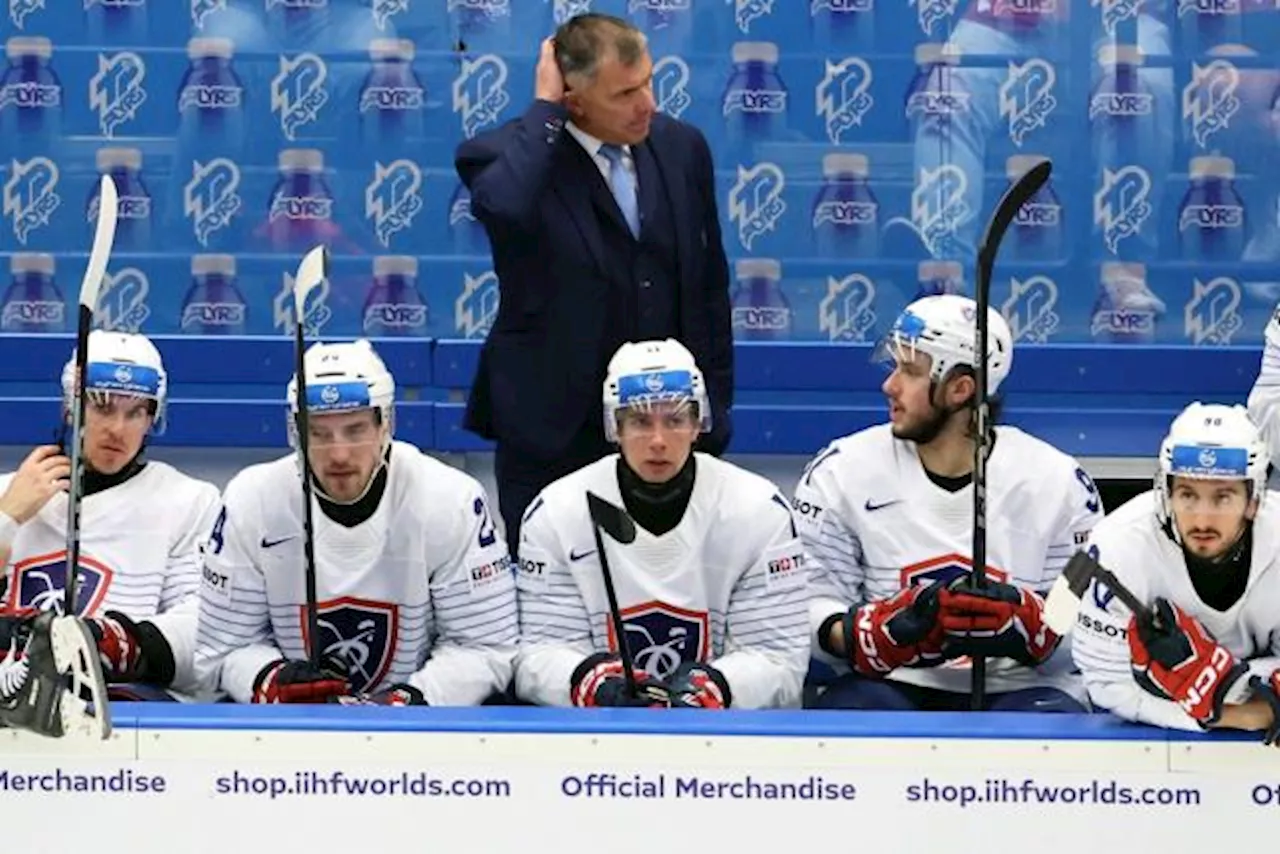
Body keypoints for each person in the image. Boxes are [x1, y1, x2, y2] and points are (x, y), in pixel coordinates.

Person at [455, 12, 733, 553]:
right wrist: (543, 110)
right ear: (573, 98)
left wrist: (714, 407)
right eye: (626, 92)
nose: (647, 103)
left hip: (664, 428)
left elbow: (708, 285)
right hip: (553, 431)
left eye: (648, 81)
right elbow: (504, 208)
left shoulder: (681, 148)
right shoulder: (506, 154)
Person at [794, 294, 1103, 711]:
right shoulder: (840, 472)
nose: (890, 385)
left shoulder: (1061, 483)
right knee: (856, 713)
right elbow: (799, 610)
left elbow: (1091, 626)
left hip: (1017, 689)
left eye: (910, 371)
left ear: (960, 389)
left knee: (1048, 728)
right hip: (889, 685)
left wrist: (1033, 624)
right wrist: (860, 631)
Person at [194, 339, 517, 705]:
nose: (339, 453)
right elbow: (222, 650)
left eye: (355, 430)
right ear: (295, 432)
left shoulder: (450, 499)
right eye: (319, 433)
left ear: (385, 426)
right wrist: (271, 679)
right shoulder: (251, 500)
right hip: (289, 734)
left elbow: (486, 648)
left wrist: (413, 700)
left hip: (422, 736)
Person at [513, 339, 808, 709]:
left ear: (697, 424)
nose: (658, 441)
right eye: (639, 421)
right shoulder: (558, 511)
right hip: (595, 740)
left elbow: (779, 660)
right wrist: (593, 682)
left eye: (675, 420)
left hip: (725, 741)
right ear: (614, 427)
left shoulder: (758, 511)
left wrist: (718, 685)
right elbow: (538, 654)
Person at [0, 330, 221, 705]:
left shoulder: (189, 501)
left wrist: (121, 643)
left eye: (135, 412)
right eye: (102, 407)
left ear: (153, 419)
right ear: (70, 407)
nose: (118, 428)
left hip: (125, 717)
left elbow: (206, 638)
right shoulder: (7, 492)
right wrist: (7, 518)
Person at [1072, 403, 1280, 742]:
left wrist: (1220, 681)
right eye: (1187, 494)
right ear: (1166, 492)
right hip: (1146, 738)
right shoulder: (1118, 544)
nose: (1201, 519)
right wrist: (1234, 714)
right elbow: (1105, 683)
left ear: (1254, 499)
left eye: (1223, 498)